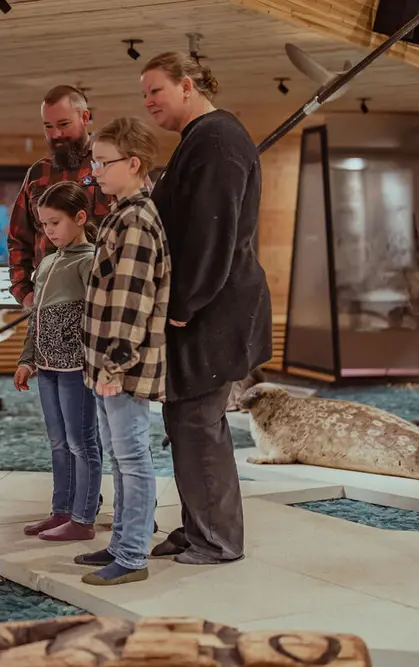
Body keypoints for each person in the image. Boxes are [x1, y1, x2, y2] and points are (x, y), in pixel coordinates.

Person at [140, 52, 273, 565]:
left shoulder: (216, 140)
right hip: (205, 309)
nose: (148, 102)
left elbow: (212, 233)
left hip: (210, 311)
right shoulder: (202, 139)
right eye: (145, 94)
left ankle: (217, 539)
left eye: (155, 90)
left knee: (198, 422)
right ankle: (199, 525)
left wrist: (183, 302)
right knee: (186, 422)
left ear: (187, 85)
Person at [75, 117, 171, 587]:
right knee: (119, 456)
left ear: (133, 164)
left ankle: (132, 554)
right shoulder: (122, 212)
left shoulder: (135, 219)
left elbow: (132, 300)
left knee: (132, 459)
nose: (94, 172)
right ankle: (120, 543)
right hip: (107, 365)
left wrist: (114, 364)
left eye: (102, 162)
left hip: (122, 367)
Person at [13, 181, 101, 542]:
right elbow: (35, 318)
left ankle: (83, 518)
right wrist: (27, 360)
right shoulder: (48, 262)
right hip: (47, 369)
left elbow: (98, 318)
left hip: (76, 369)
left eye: (55, 222)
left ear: (79, 218)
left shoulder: (89, 261)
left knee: (82, 442)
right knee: (58, 442)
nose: (48, 231)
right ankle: (61, 511)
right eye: (44, 224)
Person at [7, 85, 112, 309]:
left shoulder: (112, 163)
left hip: (102, 298)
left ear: (85, 117)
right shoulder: (37, 174)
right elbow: (18, 238)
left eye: (64, 124)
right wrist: (23, 292)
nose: (56, 134)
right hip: (47, 299)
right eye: (48, 126)